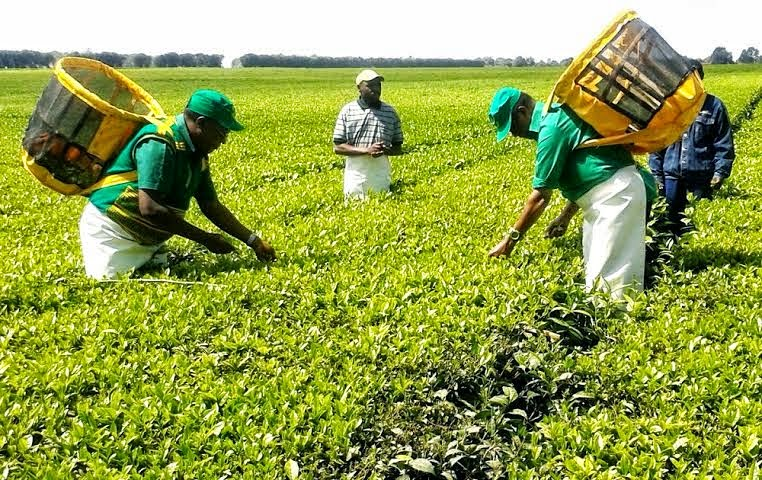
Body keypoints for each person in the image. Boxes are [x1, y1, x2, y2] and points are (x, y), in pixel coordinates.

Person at [79, 89, 275, 279]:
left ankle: (153, 254)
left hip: (147, 242)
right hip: (112, 234)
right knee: (110, 284)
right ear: (201, 123)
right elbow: (150, 208)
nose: (223, 141)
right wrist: (205, 239)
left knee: (151, 274)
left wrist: (254, 241)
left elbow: (211, 205)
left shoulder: (197, 155)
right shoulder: (159, 142)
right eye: (221, 133)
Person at [487, 87, 656, 300]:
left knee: (611, 286)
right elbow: (587, 173)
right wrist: (565, 217)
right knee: (596, 274)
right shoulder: (557, 117)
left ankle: (621, 326)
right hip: (606, 198)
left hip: (617, 197)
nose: (514, 134)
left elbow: (540, 197)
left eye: (512, 127)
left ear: (522, 112)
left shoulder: (551, 126)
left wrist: (509, 241)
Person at [648, 60, 735, 237]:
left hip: (701, 177)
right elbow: (657, 143)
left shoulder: (714, 106)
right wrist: (656, 175)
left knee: (698, 224)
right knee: (670, 224)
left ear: (701, 79)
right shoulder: (669, 106)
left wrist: (720, 173)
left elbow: (723, 143)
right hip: (671, 176)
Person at [333, 69, 404, 199]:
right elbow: (338, 147)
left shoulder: (390, 113)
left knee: (381, 205)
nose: (375, 89)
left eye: (378, 85)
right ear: (359, 88)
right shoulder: (348, 111)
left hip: (380, 174)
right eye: (370, 85)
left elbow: (398, 148)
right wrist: (367, 150)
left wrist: (384, 150)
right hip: (355, 175)